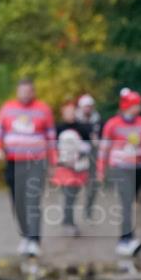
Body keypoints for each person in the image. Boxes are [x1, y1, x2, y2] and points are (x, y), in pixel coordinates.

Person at [0, 77, 56, 257]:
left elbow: (51, 137)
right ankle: (26, 236)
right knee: (18, 201)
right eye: (22, 91)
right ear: (17, 91)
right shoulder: (7, 108)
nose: (25, 94)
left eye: (28, 91)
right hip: (13, 161)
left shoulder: (43, 110)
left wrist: (53, 162)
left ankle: (35, 240)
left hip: (36, 161)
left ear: (33, 92)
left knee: (32, 200)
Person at [97, 88, 141, 257]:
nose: (139, 108)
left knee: (131, 203)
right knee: (126, 203)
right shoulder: (113, 124)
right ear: (126, 106)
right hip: (120, 168)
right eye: (136, 105)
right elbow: (104, 148)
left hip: (138, 168)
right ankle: (125, 240)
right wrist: (101, 170)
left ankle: (127, 238)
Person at [51, 99, 92, 235]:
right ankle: (68, 223)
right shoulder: (57, 128)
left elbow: (88, 147)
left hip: (78, 168)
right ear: (63, 113)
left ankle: (68, 220)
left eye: (72, 111)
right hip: (63, 168)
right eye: (67, 111)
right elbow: (52, 148)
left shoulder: (83, 128)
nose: (70, 114)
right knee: (68, 194)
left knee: (72, 195)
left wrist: (77, 154)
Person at [75, 93, 102, 219]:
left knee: (92, 183)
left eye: (90, 106)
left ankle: (88, 209)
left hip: (92, 155)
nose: (88, 109)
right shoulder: (74, 121)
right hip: (77, 155)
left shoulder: (98, 120)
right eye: (86, 106)